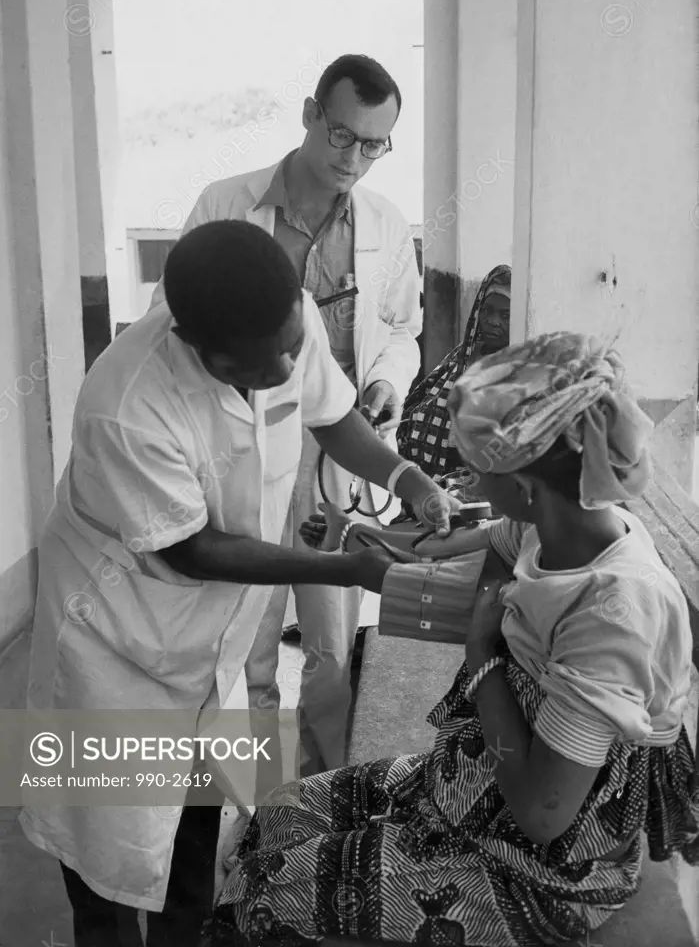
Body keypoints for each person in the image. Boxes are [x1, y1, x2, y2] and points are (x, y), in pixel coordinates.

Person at [19, 220, 451, 947]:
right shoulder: (127, 407)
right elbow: (196, 550)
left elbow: (333, 414)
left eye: (292, 344)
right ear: (199, 348)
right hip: (115, 642)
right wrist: (347, 567)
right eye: (262, 364)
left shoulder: (284, 321)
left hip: (208, 640)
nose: (287, 365)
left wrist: (405, 477)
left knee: (195, 823)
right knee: (105, 858)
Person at [203, 331, 698, 947]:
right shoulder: (557, 526)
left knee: (261, 894)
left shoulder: (614, 612)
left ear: (524, 488)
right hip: (468, 783)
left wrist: (483, 658)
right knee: (279, 814)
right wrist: (357, 530)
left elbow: (543, 816)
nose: (460, 481)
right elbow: (445, 547)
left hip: (542, 868)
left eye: (473, 469)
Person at [148, 53, 421, 777]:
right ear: (309, 114)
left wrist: (389, 380)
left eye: (373, 144)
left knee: (331, 644)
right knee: (252, 642)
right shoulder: (225, 204)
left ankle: (322, 793)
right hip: (242, 446)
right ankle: (266, 802)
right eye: (341, 136)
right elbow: (177, 318)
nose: (354, 159)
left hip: (340, 441)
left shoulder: (385, 224)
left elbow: (400, 328)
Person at [394, 264, 510, 516]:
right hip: (443, 463)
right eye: (487, 311)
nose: (491, 321)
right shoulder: (464, 354)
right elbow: (426, 398)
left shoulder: (517, 372)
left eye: (505, 316)